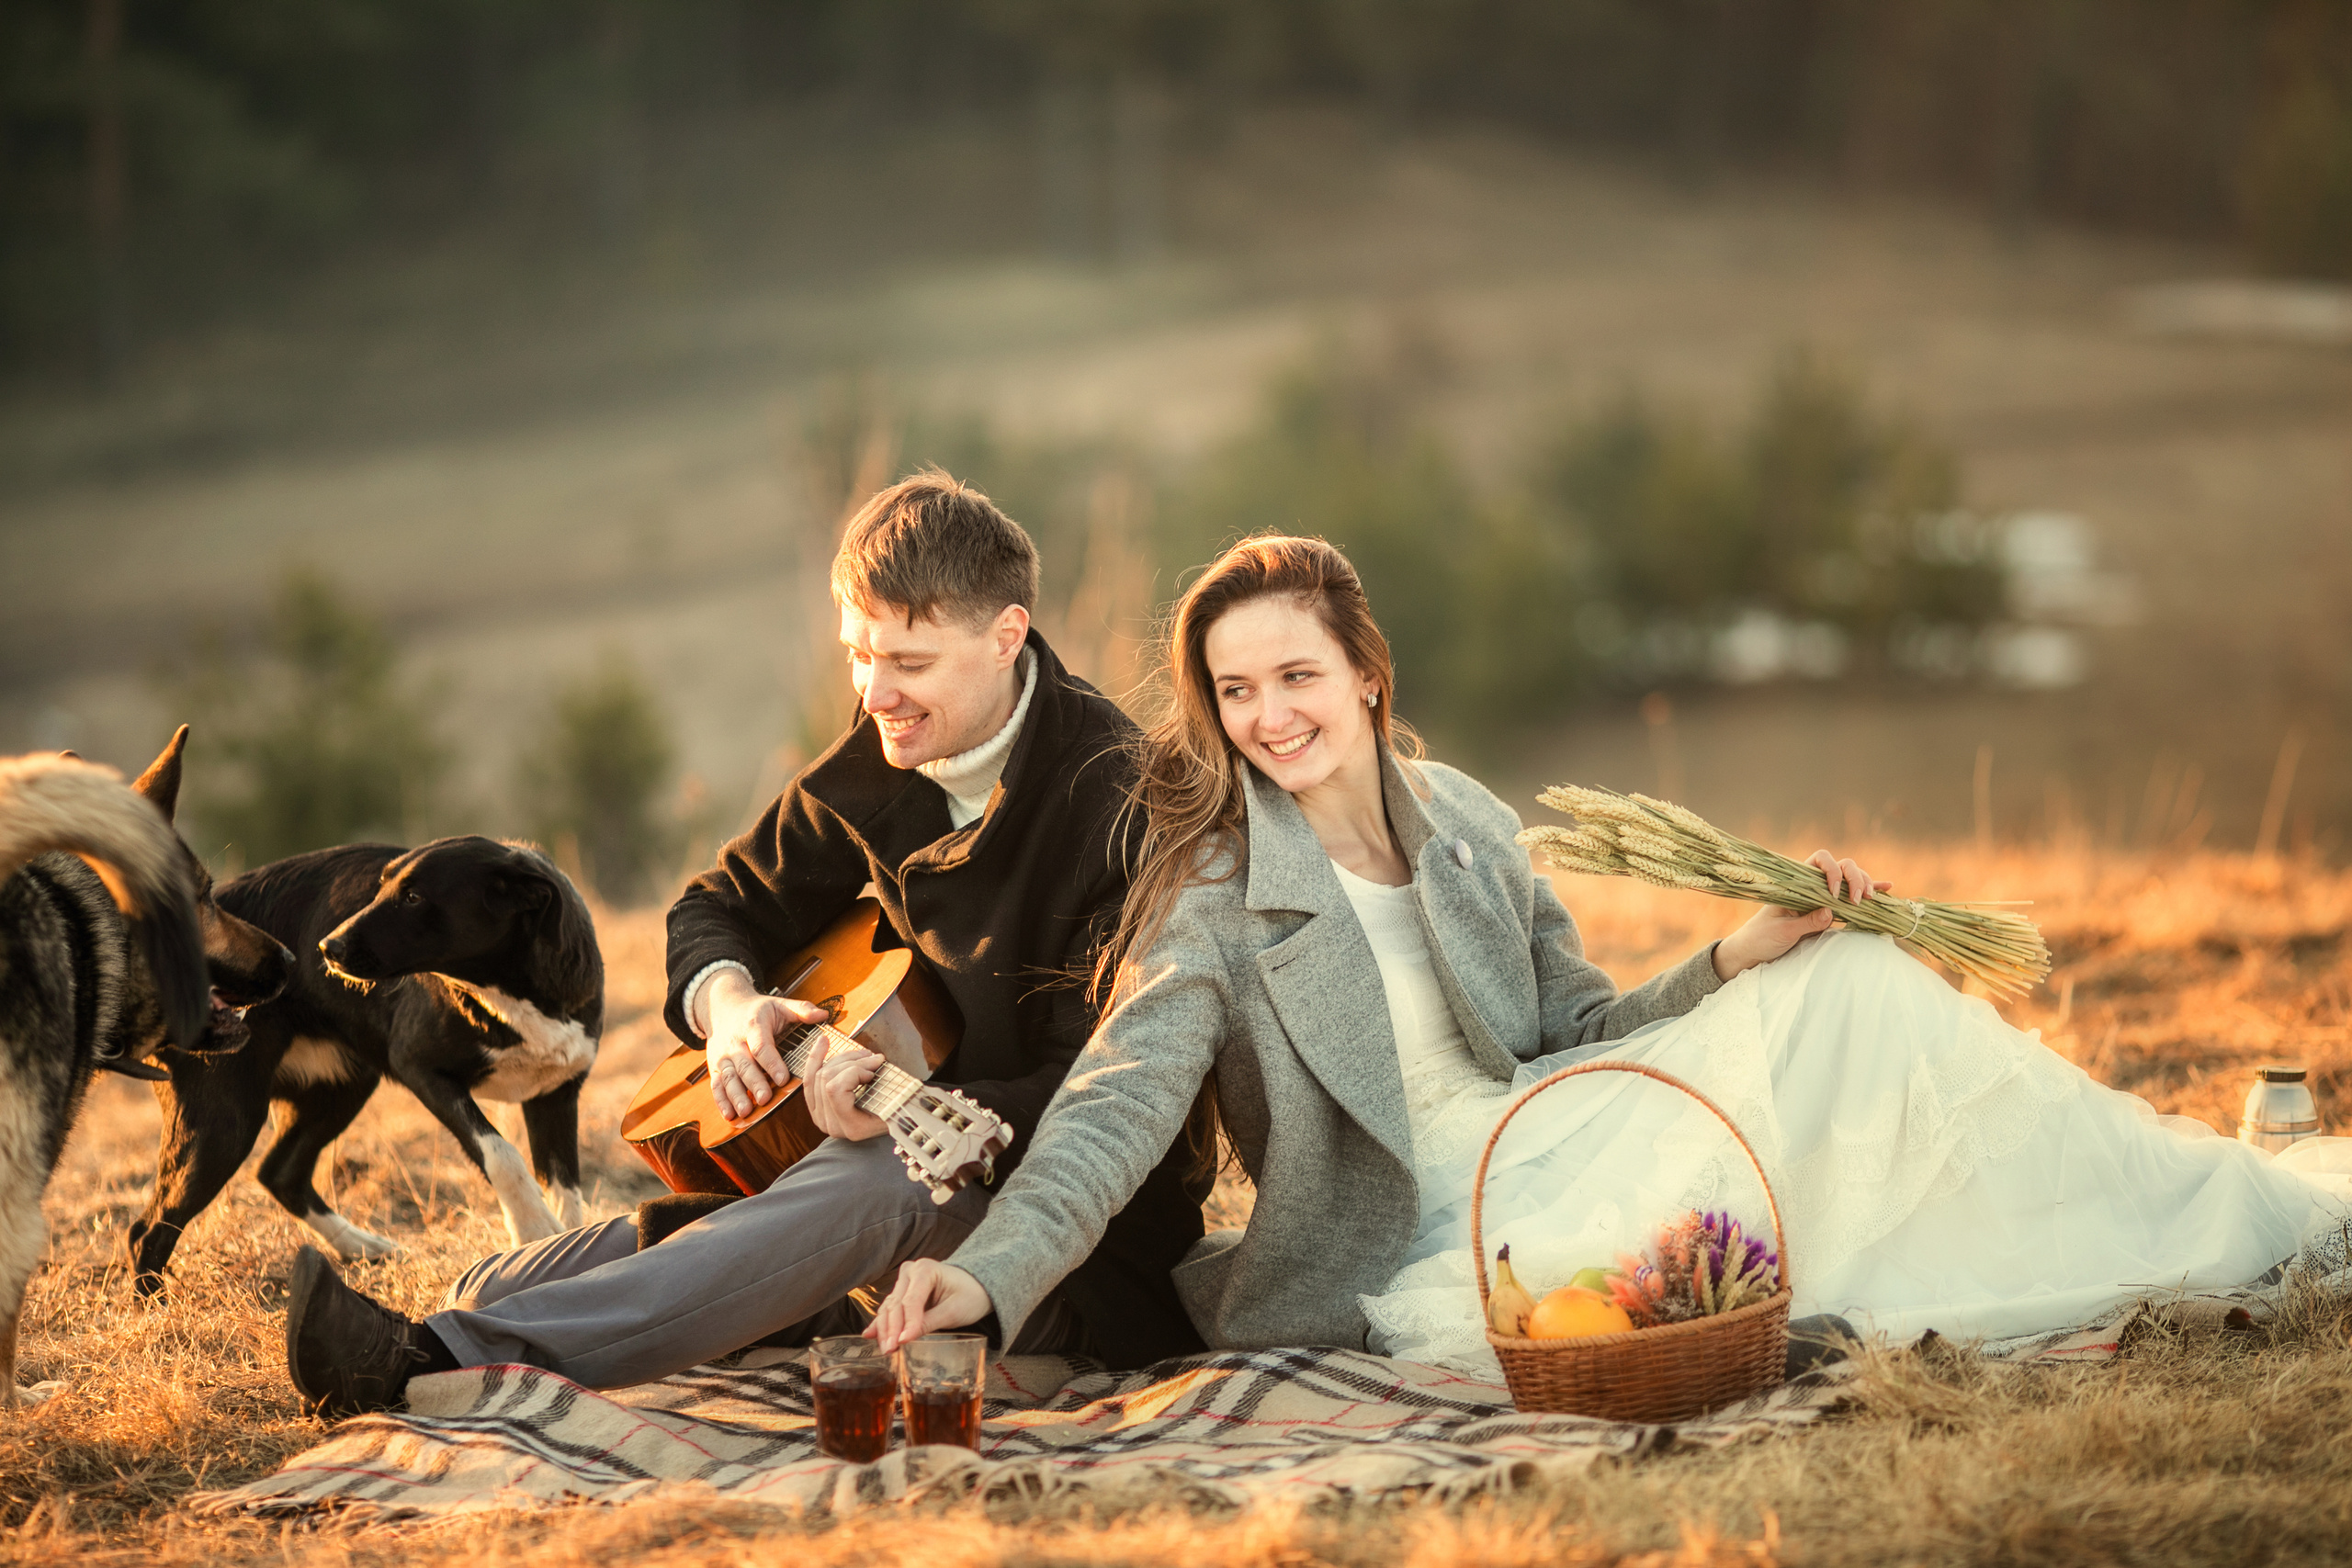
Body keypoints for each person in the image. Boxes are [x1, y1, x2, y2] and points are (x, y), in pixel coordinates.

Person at [868, 533, 2350, 1374]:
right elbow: (1115, 1106)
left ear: (1367, 676)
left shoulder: (1465, 818)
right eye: (1237, 688)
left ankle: (2197, 1197)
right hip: (1439, 1221)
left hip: (1571, 1120)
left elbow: (1584, 1028)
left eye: (1297, 674)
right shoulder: (1216, 889)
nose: (1269, 716)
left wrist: (1738, 954)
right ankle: (2177, 1208)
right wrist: (988, 1277)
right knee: (1751, 1204)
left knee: (1850, 977)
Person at [283, 471, 1208, 1416]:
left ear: (1006, 635)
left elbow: (1107, 1092)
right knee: (497, 1278)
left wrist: (894, 1105)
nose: (874, 692)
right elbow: (718, 904)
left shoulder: (1119, 804)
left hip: (1071, 1257)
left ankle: (431, 1362)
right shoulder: (894, 741)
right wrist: (730, 1008)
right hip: (864, 1177)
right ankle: (765, 1295)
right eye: (857, 655)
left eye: (908, 661)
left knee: (879, 1177)